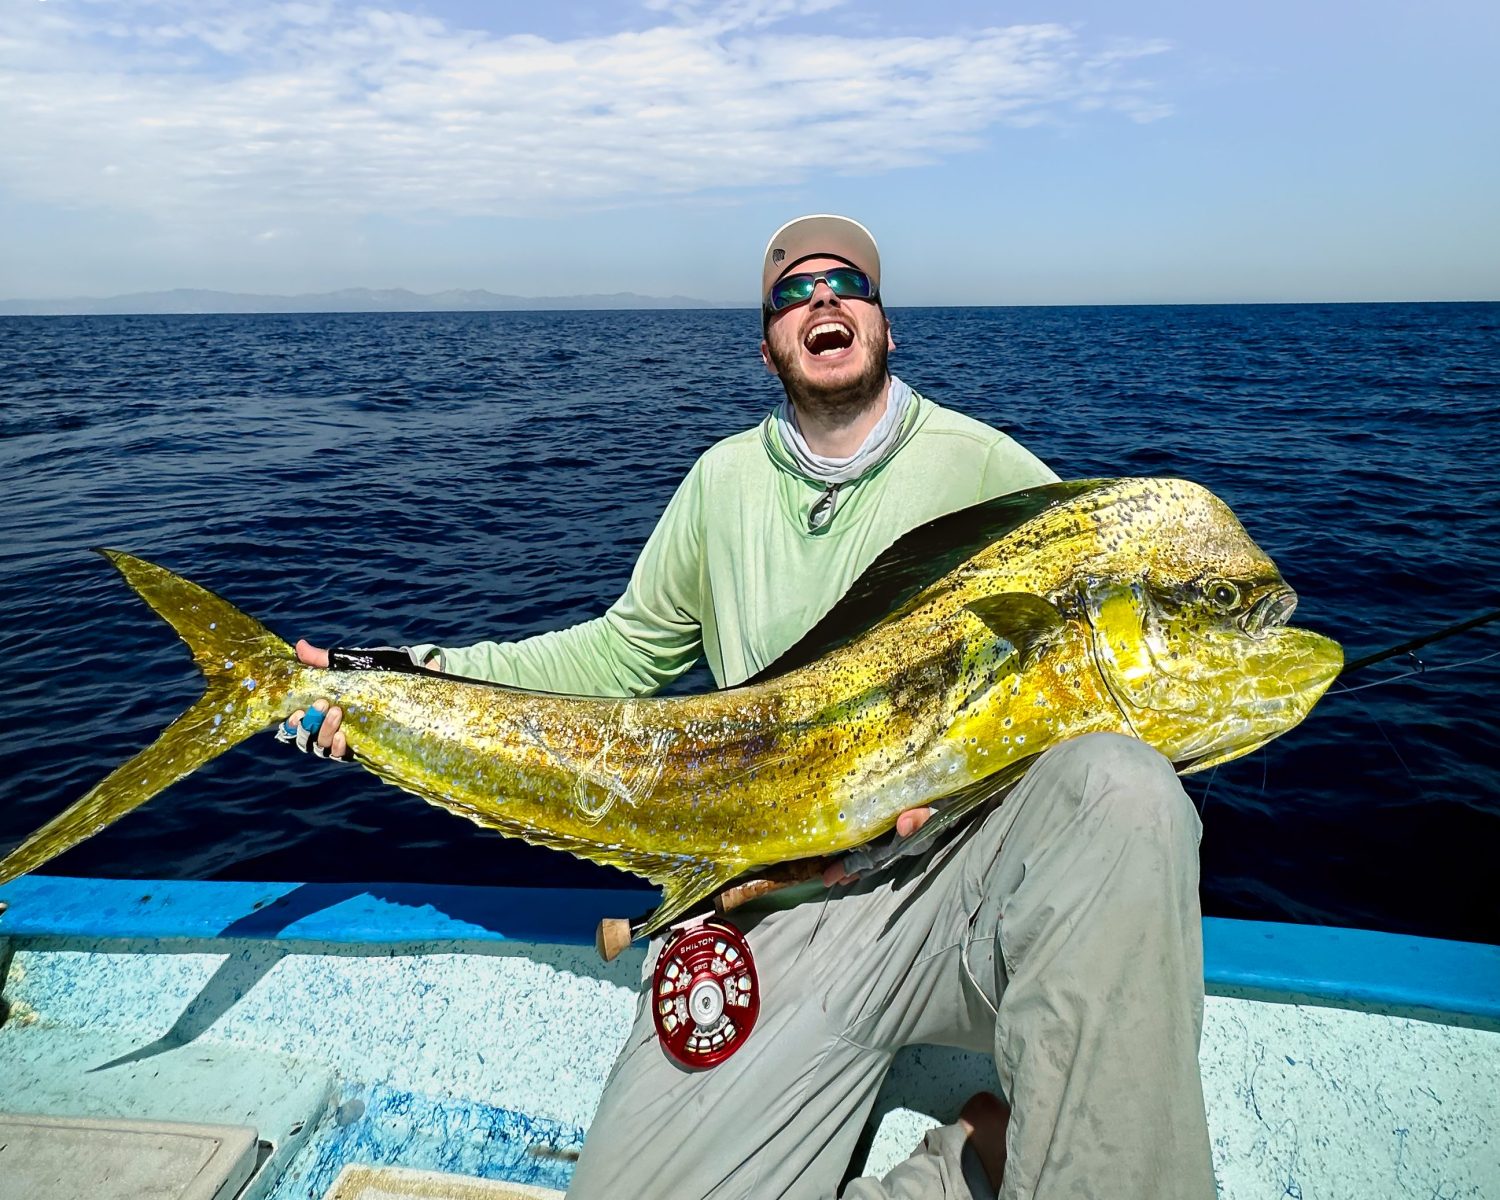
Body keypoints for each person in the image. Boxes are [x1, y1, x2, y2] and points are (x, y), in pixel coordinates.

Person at [282, 215, 1215, 1199]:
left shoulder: (992, 473)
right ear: (768, 339)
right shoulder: (721, 482)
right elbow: (614, 657)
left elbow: (1097, 664)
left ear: (885, 324)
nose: (822, 300)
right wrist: (394, 680)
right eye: (792, 291)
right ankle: (968, 1166)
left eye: (847, 283)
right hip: (774, 908)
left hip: (955, 898)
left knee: (1124, 789)